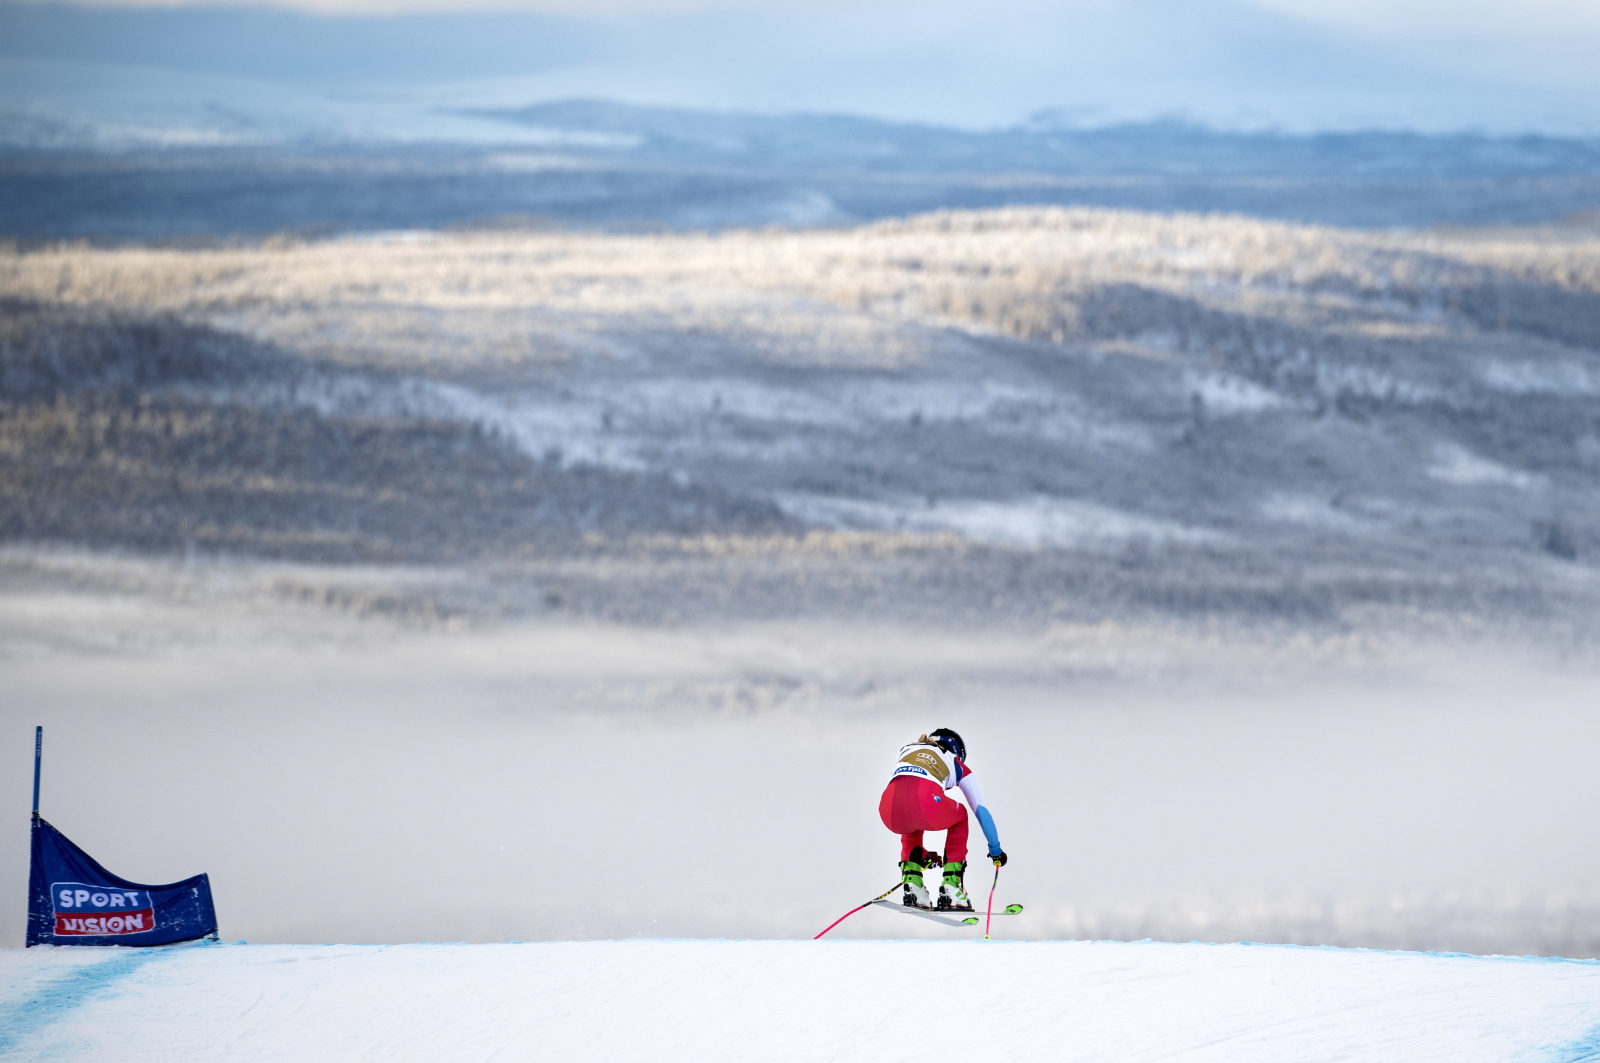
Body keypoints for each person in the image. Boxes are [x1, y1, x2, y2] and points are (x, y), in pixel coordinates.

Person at [878, 727, 1007, 911]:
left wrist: (923, 855)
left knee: (912, 813)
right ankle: (951, 888)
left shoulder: (906, 749)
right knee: (961, 814)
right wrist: (995, 850)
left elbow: (906, 799)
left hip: (888, 812)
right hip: (925, 806)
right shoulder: (956, 763)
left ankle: (913, 885)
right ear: (958, 752)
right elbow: (981, 810)